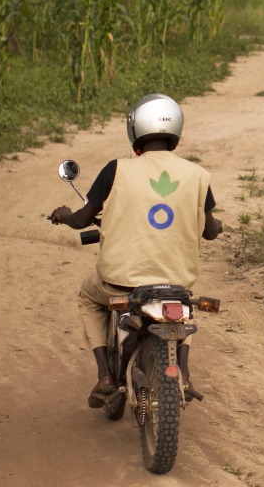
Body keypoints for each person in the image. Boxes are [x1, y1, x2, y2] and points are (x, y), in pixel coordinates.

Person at [48, 93, 222, 408]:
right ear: (176, 130)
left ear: (135, 129)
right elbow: (209, 230)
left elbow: (81, 219)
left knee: (89, 297)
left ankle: (104, 374)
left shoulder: (116, 170)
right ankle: (182, 371)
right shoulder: (198, 176)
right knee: (182, 305)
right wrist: (216, 225)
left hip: (120, 282)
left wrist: (63, 213)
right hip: (174, 284)